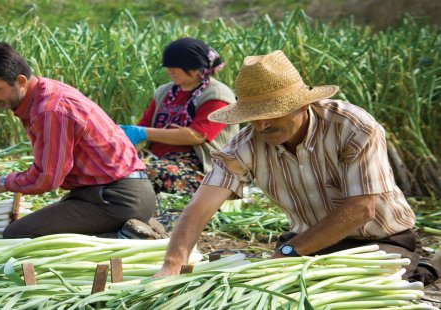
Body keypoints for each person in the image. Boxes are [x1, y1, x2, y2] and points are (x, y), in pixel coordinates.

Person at [155, 50, 440, 285]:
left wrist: (291, 251)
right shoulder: (246, 144)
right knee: (277, 288)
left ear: (303, 106)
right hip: (309, 242)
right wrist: (172, 263)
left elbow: (361, 208)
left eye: (270, 114)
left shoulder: (351, 128)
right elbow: (202, 204)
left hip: (379, 240)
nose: (261, 125)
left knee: (349, 292)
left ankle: (426, 268)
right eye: (253, 116)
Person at [0, 41, 161, 239]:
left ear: (21, 81)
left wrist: (5, 182)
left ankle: (126, 237)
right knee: (39, 226)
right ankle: (126, 229)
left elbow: (47, 179)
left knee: (18, 234)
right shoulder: (44, 93)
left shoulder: (49, 110)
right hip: (108, 194)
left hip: (117, 198)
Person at [120, 37, 238, 196]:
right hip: (159, 158)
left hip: (201, 169)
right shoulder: (164, 92)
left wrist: (143, 132)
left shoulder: (217, 95)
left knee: (148, 174)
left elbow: (196, 136)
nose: (171, 71)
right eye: (168, 66)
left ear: (198, 68)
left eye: (178, 67)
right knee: (120, 169)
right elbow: (145, 123)